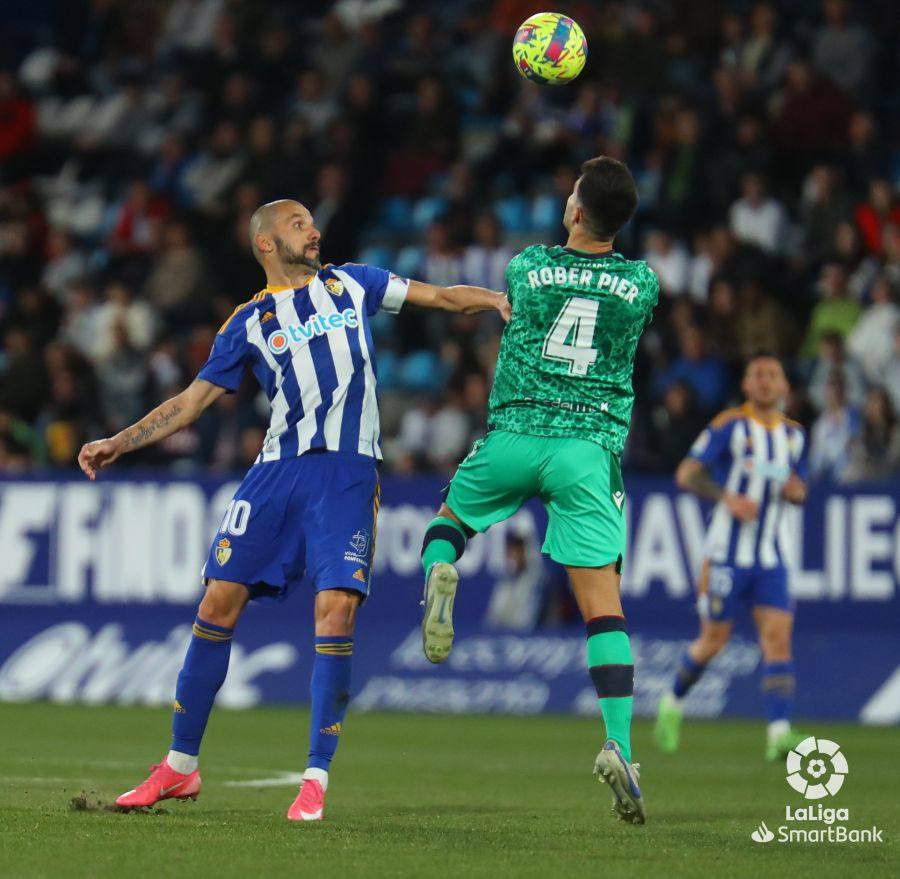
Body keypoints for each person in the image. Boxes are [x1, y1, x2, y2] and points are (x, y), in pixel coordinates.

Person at [77, 199, 508, 821]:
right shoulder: (248, 320)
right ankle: (179, 768)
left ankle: (314, 778)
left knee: (335, 611)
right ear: (266, 243)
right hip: (275, 473)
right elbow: (193, 400)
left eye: (313, 223)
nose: (315, 232)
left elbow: (439, 298)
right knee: (215, 602)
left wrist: (494, 299)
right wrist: (120, 439)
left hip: (346, 473)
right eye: (299, 225)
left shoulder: (353, 282)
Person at [415, 157, 658, 825]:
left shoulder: (526, 267)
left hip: (515, 433)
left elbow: (519, 300)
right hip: (586, 450)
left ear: (576, 212)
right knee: (600, 606)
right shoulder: (642, 283)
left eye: (572, 194)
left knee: (449, 521)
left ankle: (441, 569)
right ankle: (620, 745)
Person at [654, 354, 808, 761]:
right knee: (714, 641)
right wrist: (727, 498)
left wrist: (797, 493)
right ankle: (672, 702)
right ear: (745, 384)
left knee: (777, 641)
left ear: (784, 387)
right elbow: (687, 473)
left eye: (772, 374)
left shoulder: (795, 437)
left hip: (773, 555)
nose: (763, 381)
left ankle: (779, 733)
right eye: (756, 374)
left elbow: (801, 487)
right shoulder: (729, 426)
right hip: (726, 554)